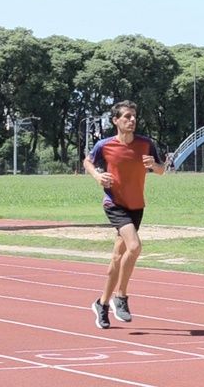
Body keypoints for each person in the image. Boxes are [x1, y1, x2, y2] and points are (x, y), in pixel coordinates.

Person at [83, 100, 165, 329]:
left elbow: (161, 170)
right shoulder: (104, 145)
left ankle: (101, 303)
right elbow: (87, 161)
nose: (132, 120)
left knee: (117, 258)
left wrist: (153, 165)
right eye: (127, 116)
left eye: (134, 116)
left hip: (136, 206)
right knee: (135, 247)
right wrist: (98, 176)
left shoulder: (146, 144)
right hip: (115, 204)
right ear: (115, 120)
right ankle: (121, 296)